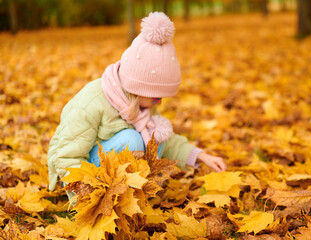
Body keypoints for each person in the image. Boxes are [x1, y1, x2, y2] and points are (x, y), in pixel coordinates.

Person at [47, 12, 226, 192]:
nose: (159, 103)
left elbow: (169, 142)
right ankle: (111, 191)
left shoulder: (139, 102)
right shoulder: (92, 102)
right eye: (156, 97)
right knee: (131, 140)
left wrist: (200, 156)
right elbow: (68, 155)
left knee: (156, 134)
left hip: (113, 168)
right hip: (82, 173)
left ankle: (132, 190)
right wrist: (84, 196)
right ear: (138, 89)